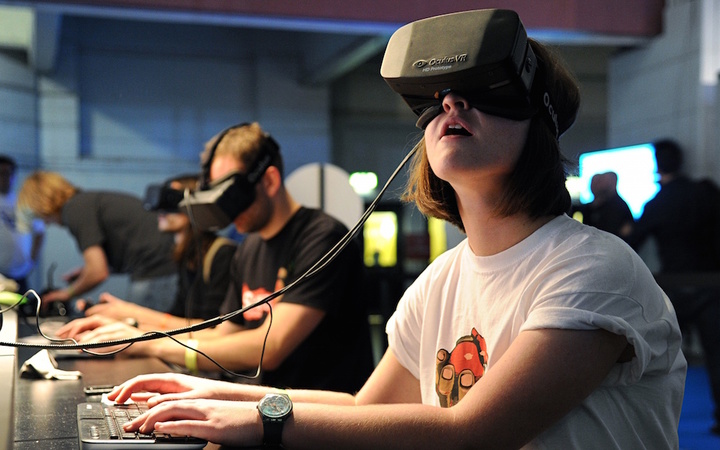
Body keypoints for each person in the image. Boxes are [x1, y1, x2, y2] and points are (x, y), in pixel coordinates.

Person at [105, 9, 686, 449]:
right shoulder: (439, 282)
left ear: (540, 124)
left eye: (481, 92)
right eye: (438, 100)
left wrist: (263, 420)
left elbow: (472, 432)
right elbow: (365, 406)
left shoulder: (592, 267)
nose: (450, 104)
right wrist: (213, 393)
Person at [62, 122, 375, 393]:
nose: (226, 211)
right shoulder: (250, 247)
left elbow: (272, 346)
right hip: (264, 412)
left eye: (231, 196)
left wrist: (150, 343)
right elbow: (222, 332)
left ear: (269, 181)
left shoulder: (322, 237)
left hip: (317, 422)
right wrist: (135, 322)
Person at [56, 174, 237, 334]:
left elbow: (212, 330)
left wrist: (131, 314)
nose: (160, 210)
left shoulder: (222, 254)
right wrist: (121, 319)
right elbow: (178, 317)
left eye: (171, 201)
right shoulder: (185, 257)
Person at [622, 138, 720, 433]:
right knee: (716, 354)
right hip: (712, 285)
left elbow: (631, 243)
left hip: (675, 288)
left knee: (662, 358)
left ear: (657, 166)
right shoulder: (707, 193)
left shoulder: (657, 203)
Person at [16, 171, 178, 311]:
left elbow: (97, 272)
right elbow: (111, 258)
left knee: (141, 337)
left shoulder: (74, 210)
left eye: (39, 214)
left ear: (43, 203)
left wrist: (66, 293)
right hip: (165, 263)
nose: (45, 222)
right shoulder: (85, 202)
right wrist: (85, 272)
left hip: (157, 269)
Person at [0, 155, 44, 292]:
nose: (4, 178)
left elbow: (40, 231)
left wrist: (32, 260)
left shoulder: (23, 202)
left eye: (8, 173)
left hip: (21, 272)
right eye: (0, 174)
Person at [574, 171, 633, 237]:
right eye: (593, 182)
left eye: (600, 182)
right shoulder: (587, 208)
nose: (595, 185)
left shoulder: (620, 208)